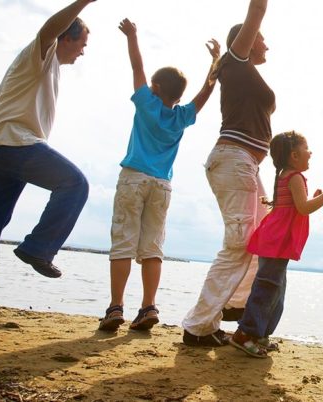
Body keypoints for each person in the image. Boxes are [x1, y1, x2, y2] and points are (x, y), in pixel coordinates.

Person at [0, 0, 97, 310]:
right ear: (65, 38)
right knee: (74, 184)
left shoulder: (49, 67)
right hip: (14, 143)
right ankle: (38, 249)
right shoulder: (42, 54)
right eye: (82, 44)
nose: (83, 52)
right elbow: (48, 30)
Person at [96, 19, 220, 332]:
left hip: (134, 178)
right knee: (152, 247)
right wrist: (215, 62)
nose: (149, 86)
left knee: (123, 243)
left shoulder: (147, 104)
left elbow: (136, 65)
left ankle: (115, 307)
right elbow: (205, 92)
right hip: (162, 185)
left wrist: (133, 36)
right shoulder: (182, 116)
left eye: (153, 84)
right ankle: (149, 306)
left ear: (158, 88)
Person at [182, 0, 273, 347]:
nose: (266, 44)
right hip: (234, 160)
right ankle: (198, 327)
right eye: (261, 39)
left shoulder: (242, 72)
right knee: (238, 244)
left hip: (245, 164)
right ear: (246, 42)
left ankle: (231, 308)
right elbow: (257, 11)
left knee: (259, 238)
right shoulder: (236, 63)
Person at [230, 131, 323, 357]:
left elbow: (294, 204)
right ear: (294, 155)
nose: (310, 153)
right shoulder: (295, 177)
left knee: (275, 290)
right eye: (306, 148)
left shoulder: (286, 175)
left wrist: (316, 196)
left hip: (275, 239)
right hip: (277, 240)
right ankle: (245, 333)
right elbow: (303, 208)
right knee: (267, 288)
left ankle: (260, 334)